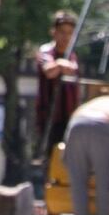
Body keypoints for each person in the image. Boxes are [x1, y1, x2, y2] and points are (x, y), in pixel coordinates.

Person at [35, 12, 84, 156]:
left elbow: (72, 70)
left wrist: (61, 65)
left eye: (70, 33)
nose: (66, 37)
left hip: (69, 116)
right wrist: (60, 64)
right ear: (54, 32)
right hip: (49, 116)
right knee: (50, 155)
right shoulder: (46, 51)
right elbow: (50, 71)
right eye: (62, 32)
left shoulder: (72, 55)